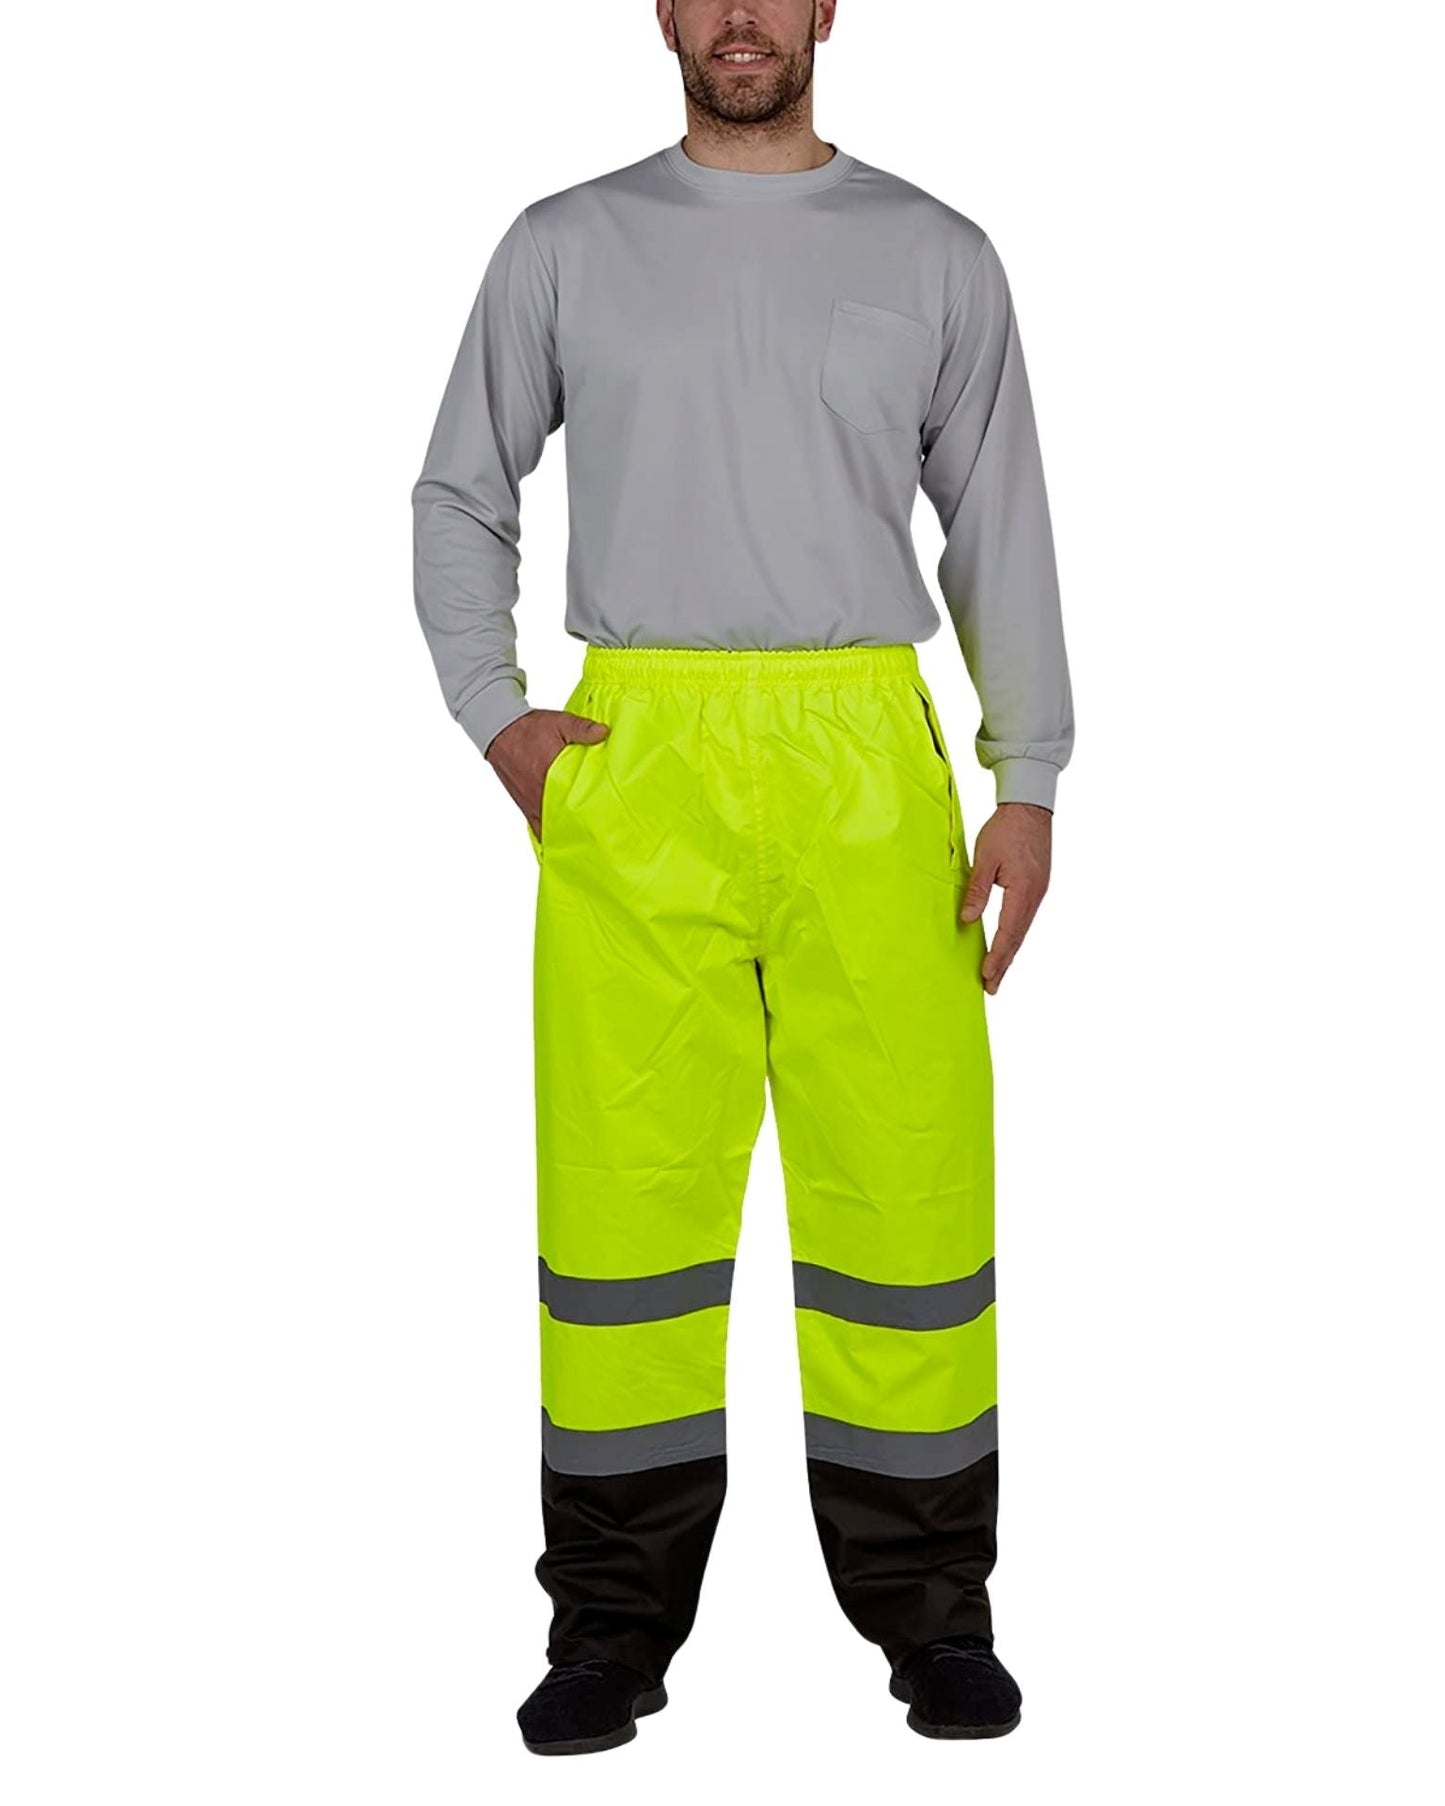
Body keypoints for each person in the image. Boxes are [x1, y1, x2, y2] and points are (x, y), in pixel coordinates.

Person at [410, 0, 1072, 1756]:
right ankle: (607, 1630)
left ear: (827, 6)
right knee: (622, 1208)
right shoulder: (566, 244)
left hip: (867, 757)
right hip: (643, 756)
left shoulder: (933, 251)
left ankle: (935, 1618)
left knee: (906, 1195)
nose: (739, 16)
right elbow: (459, 492)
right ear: (660, 9)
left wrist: (1026, 778)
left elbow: (997, 518)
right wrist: (496, 714)